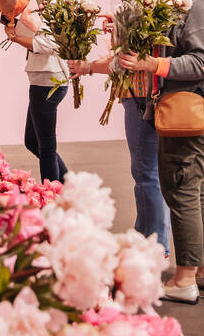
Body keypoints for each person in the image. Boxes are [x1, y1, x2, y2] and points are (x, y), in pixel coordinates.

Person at [113, 0, 204, 303]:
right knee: (195, 187)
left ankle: (184, 278)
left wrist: (151, 63)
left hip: (191, 108)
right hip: (197, 108)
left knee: (181, 187)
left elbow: (202, 62)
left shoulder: (203, 5)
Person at [67, 17, 172, 256]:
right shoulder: (151, 10)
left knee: (147, 173)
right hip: (150, 96)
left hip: (140, 96)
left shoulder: (143, 9)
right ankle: (147, 237)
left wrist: (88, 67)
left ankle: (155, 246)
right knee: (151, 173)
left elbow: (123, 62)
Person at [4, 0, 70, 183]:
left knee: (46, 147)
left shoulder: (60, 5)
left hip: (48, 79)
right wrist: (9, 20)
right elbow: (34, 31)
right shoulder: (41, 3)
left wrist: (15, 38)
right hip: (42, 79)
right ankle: (68, 184)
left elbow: (49, 44)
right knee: (33, 141)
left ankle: (51, 199)